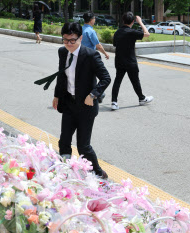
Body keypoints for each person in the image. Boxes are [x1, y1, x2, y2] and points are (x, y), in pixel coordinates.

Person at [52, 23, 111, 179]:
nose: (69, 44)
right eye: (65, 40)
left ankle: (99, 174)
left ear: (81, 38)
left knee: (83, 146)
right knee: (64, 141)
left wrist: (93, 95)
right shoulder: (62, 52)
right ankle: (66, 172)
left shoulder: (90, 55)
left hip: (86, 106)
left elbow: (106, 78)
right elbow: (61, 76)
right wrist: (57, 95)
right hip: (69, 104)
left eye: (73, 40)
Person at [111, 12, 153, 110]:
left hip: (119, 61)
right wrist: (141, 22)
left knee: (117, 81)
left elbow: (114, 45)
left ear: (123, 20)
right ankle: (141, 98)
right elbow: (147, 34)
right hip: (130, 61)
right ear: (133, 21)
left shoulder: (117, 32)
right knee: (135, 81)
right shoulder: (132, 32)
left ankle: (114, 102)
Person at [81, 12, 110, 104]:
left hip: (81, 56)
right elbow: (98, 45)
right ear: (91, 20)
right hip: (91, 57)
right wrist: (105, 53)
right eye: (94, 18)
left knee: (86, 76)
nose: (95, 20)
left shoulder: (80, 29)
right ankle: (98, 94)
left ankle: (94, 94)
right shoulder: (91, 31)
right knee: (105, 78)